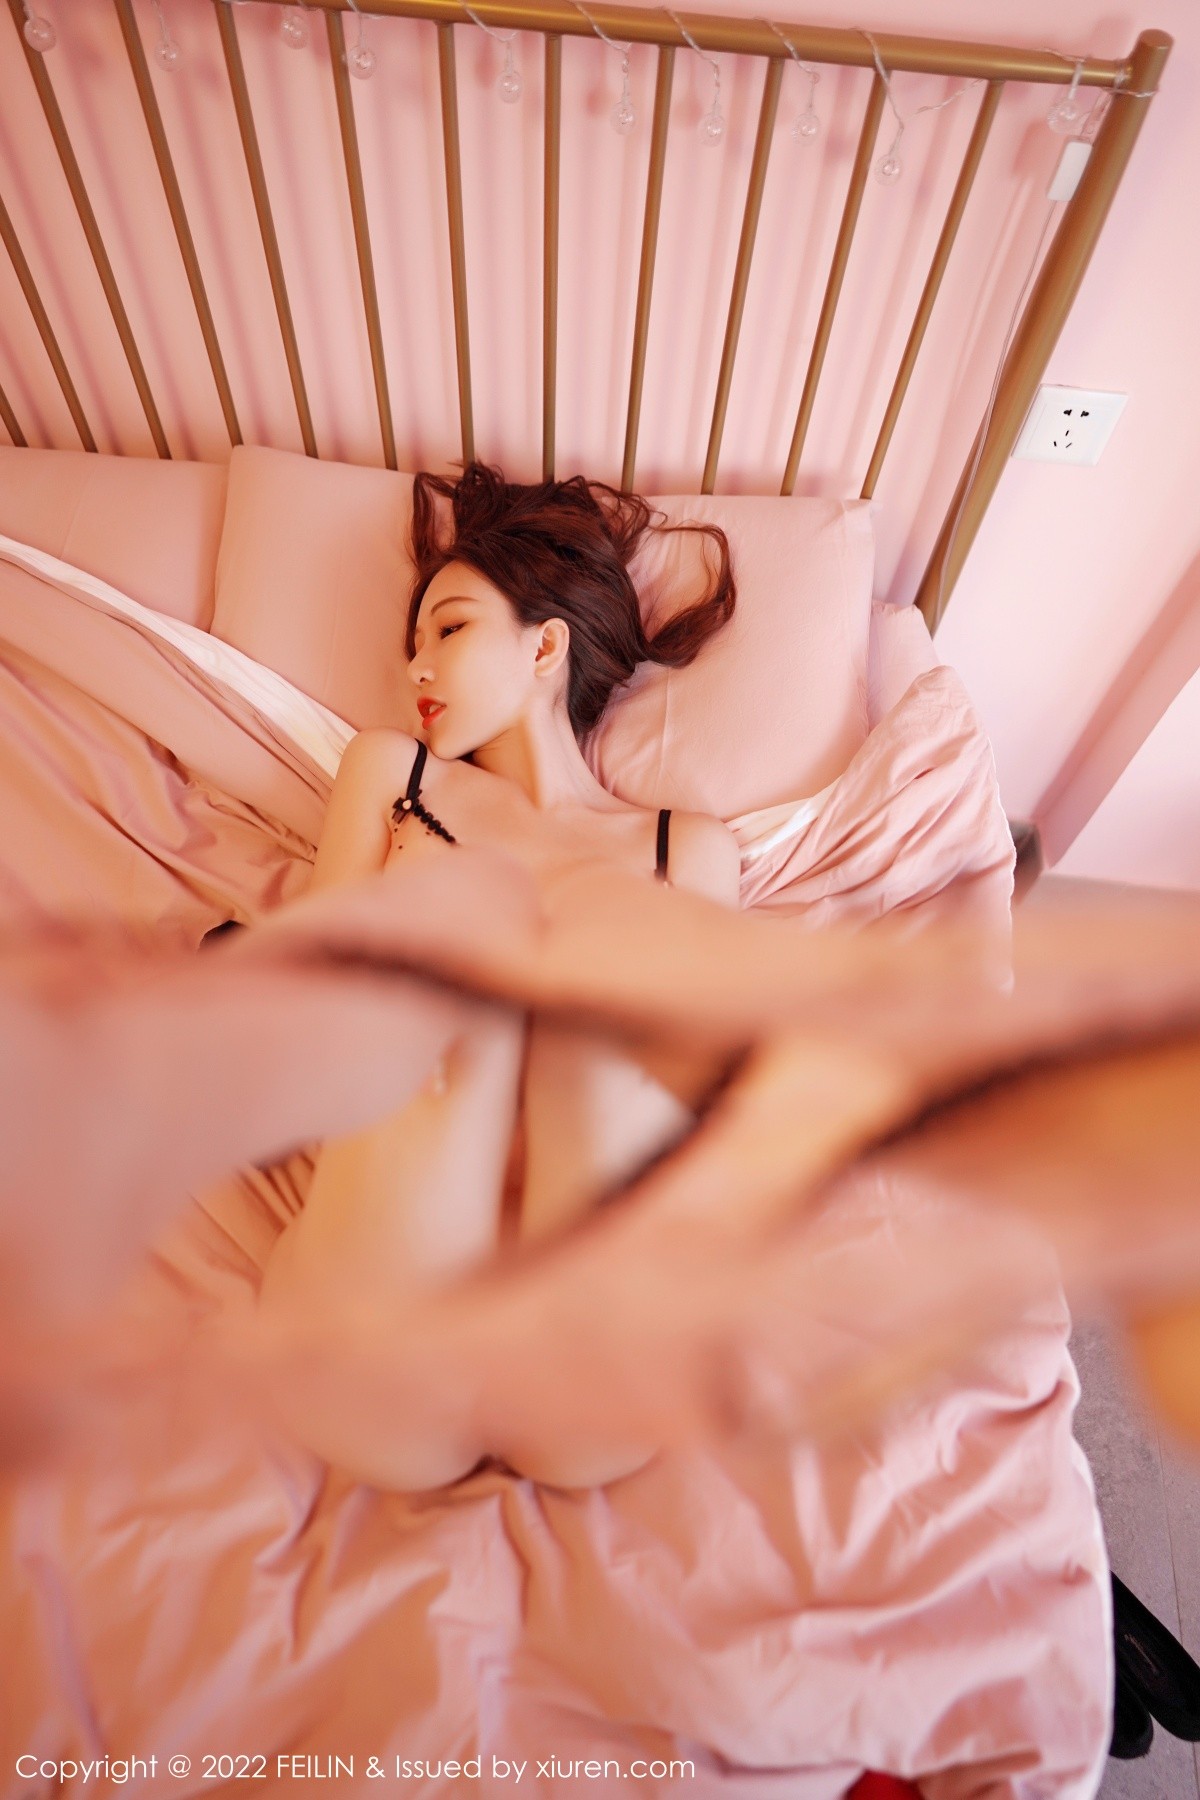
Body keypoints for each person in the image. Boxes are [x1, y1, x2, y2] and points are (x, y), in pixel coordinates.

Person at [255, 463, 743, 1493]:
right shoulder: (393, 774)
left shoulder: (686, 848)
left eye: (449, 628)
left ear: (545, 646)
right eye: (413, 642)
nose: (415, 667)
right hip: (377, 1342)